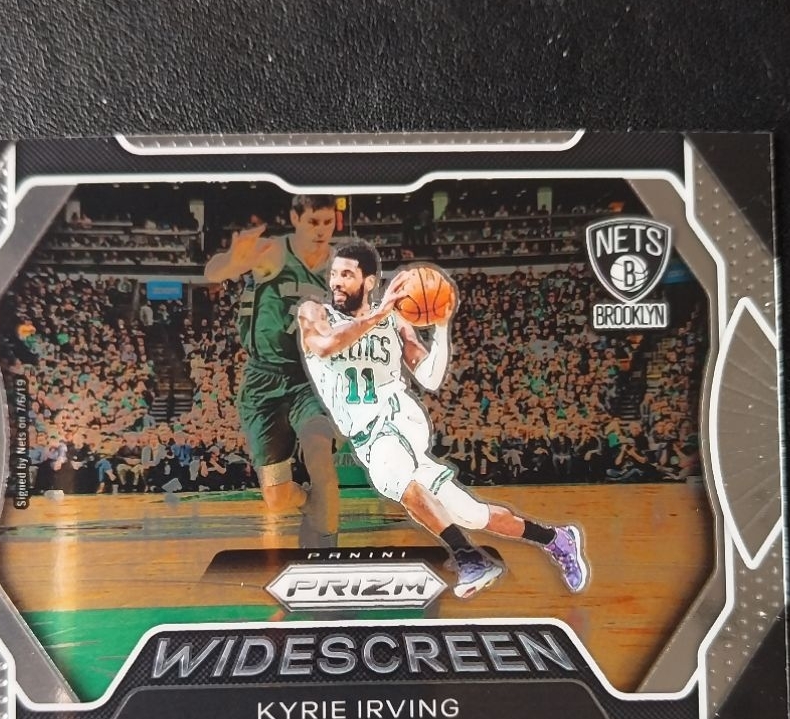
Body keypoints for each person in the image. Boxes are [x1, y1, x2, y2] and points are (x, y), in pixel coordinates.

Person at [297, 241, 587, 599]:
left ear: (369, 282)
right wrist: (377, 315)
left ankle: (470, 559)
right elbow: (324, 346)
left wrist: (442, 328)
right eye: (334, 274)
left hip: (396, 419)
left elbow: (430, 378)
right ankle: (557, 539)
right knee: (471, 515)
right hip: (370, 434)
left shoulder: (395, 321)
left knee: (391, 477)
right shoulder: (315, 313)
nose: (336, 281)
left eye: (346, 274)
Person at [204, 195, 340, 547]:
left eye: (327, 222)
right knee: (277, 498)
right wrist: (233, 261)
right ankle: (311, 506)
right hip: (263, 380)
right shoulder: (274, 253)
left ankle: (327, 550)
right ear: (295, 218)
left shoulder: (342, 267)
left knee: (320, 455)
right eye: (313, 222)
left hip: (310, 379)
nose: (321, 230)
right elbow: (213, 271)